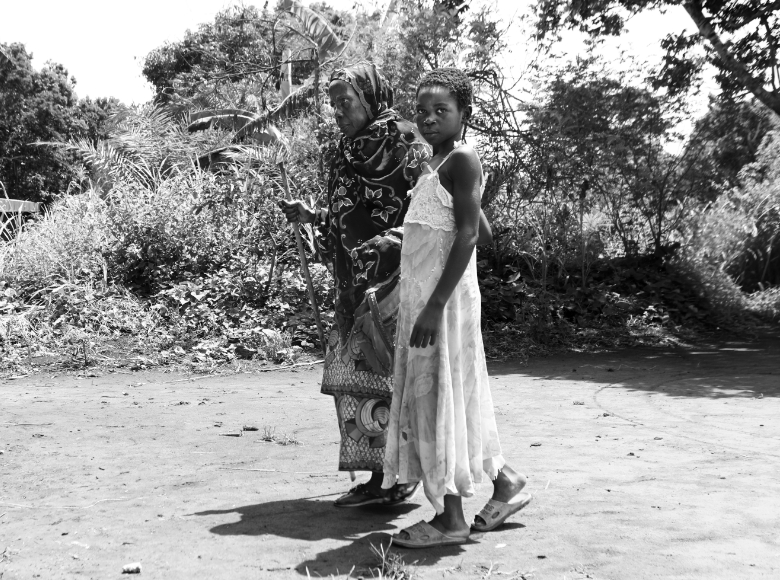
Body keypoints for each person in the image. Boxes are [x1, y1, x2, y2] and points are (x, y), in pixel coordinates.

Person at [381, 68, 531, 548]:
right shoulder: (439, 163)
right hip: (431, 298)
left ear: (464, 115)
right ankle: (504, 482)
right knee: (457, 395)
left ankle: (451, 520)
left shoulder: (462, 156)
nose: (428, 118)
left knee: (437, 399)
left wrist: (434, 305)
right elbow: (477, 228)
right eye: (422, 111)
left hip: (440, 304)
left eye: (440, 110)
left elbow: (467, 237)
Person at [279, 63, 428, 507]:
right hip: (352, 287)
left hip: (397, 285)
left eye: (345, 102)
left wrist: (395, 240)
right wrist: (312, 216)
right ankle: (377, 476)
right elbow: (347, 221)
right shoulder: (344, 151)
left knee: (392, 377)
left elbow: (430, 209)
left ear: (369, 98)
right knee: (358, 380)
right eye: (333, 104)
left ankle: (403, 476)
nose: (337, 112)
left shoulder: (405, 143)